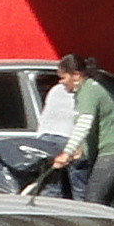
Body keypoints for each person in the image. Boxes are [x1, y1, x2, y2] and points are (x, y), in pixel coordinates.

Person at [44, 54, 114, 206]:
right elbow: (95, 126)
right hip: (110, 153)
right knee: (107, 202)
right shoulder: (83, 91)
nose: (61, 82)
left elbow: (84, 124)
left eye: (63, 77)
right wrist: (81, 149)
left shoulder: (89, 92)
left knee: (93, 201)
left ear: (76, 75)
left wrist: (67, 152)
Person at [31, 65, 81, 198]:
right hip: (69, 138)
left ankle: (51, 215)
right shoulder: (86, 91)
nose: (60, 81)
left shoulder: (55, 90)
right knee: (80, 189)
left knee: (51, 188)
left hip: (45, 139)